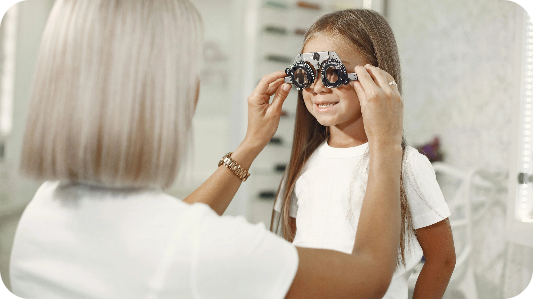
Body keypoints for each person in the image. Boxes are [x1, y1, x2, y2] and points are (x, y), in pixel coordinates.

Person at [10, 1, 403, 298]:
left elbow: (161, 231)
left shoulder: (41, 214)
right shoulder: (199, 248)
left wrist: (250, 147)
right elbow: (368, 275)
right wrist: (386, 143)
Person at [272, 9, 456, 299]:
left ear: (376, 76)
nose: (318, 86)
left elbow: (442, 259)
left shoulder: (407, 165)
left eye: (333, 72)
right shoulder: (302, 164)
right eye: (307, 74)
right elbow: (299, 247)